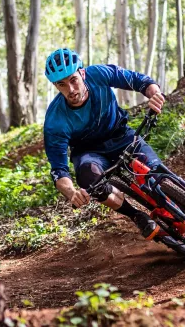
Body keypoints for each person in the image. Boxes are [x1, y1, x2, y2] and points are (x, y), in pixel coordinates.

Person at [43, 48, 166, 241]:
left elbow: (140, 81)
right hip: (89, 153)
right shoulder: (55, 121)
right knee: (88, 177)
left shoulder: (99, 74)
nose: (71, 90)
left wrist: (155, 94)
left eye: (73, 80)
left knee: (157, 173)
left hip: (121, 135)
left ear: (82, 73)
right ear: (55, 86)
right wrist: (72, 193)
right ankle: (136, 215)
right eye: (62, 84)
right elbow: (59, 171)